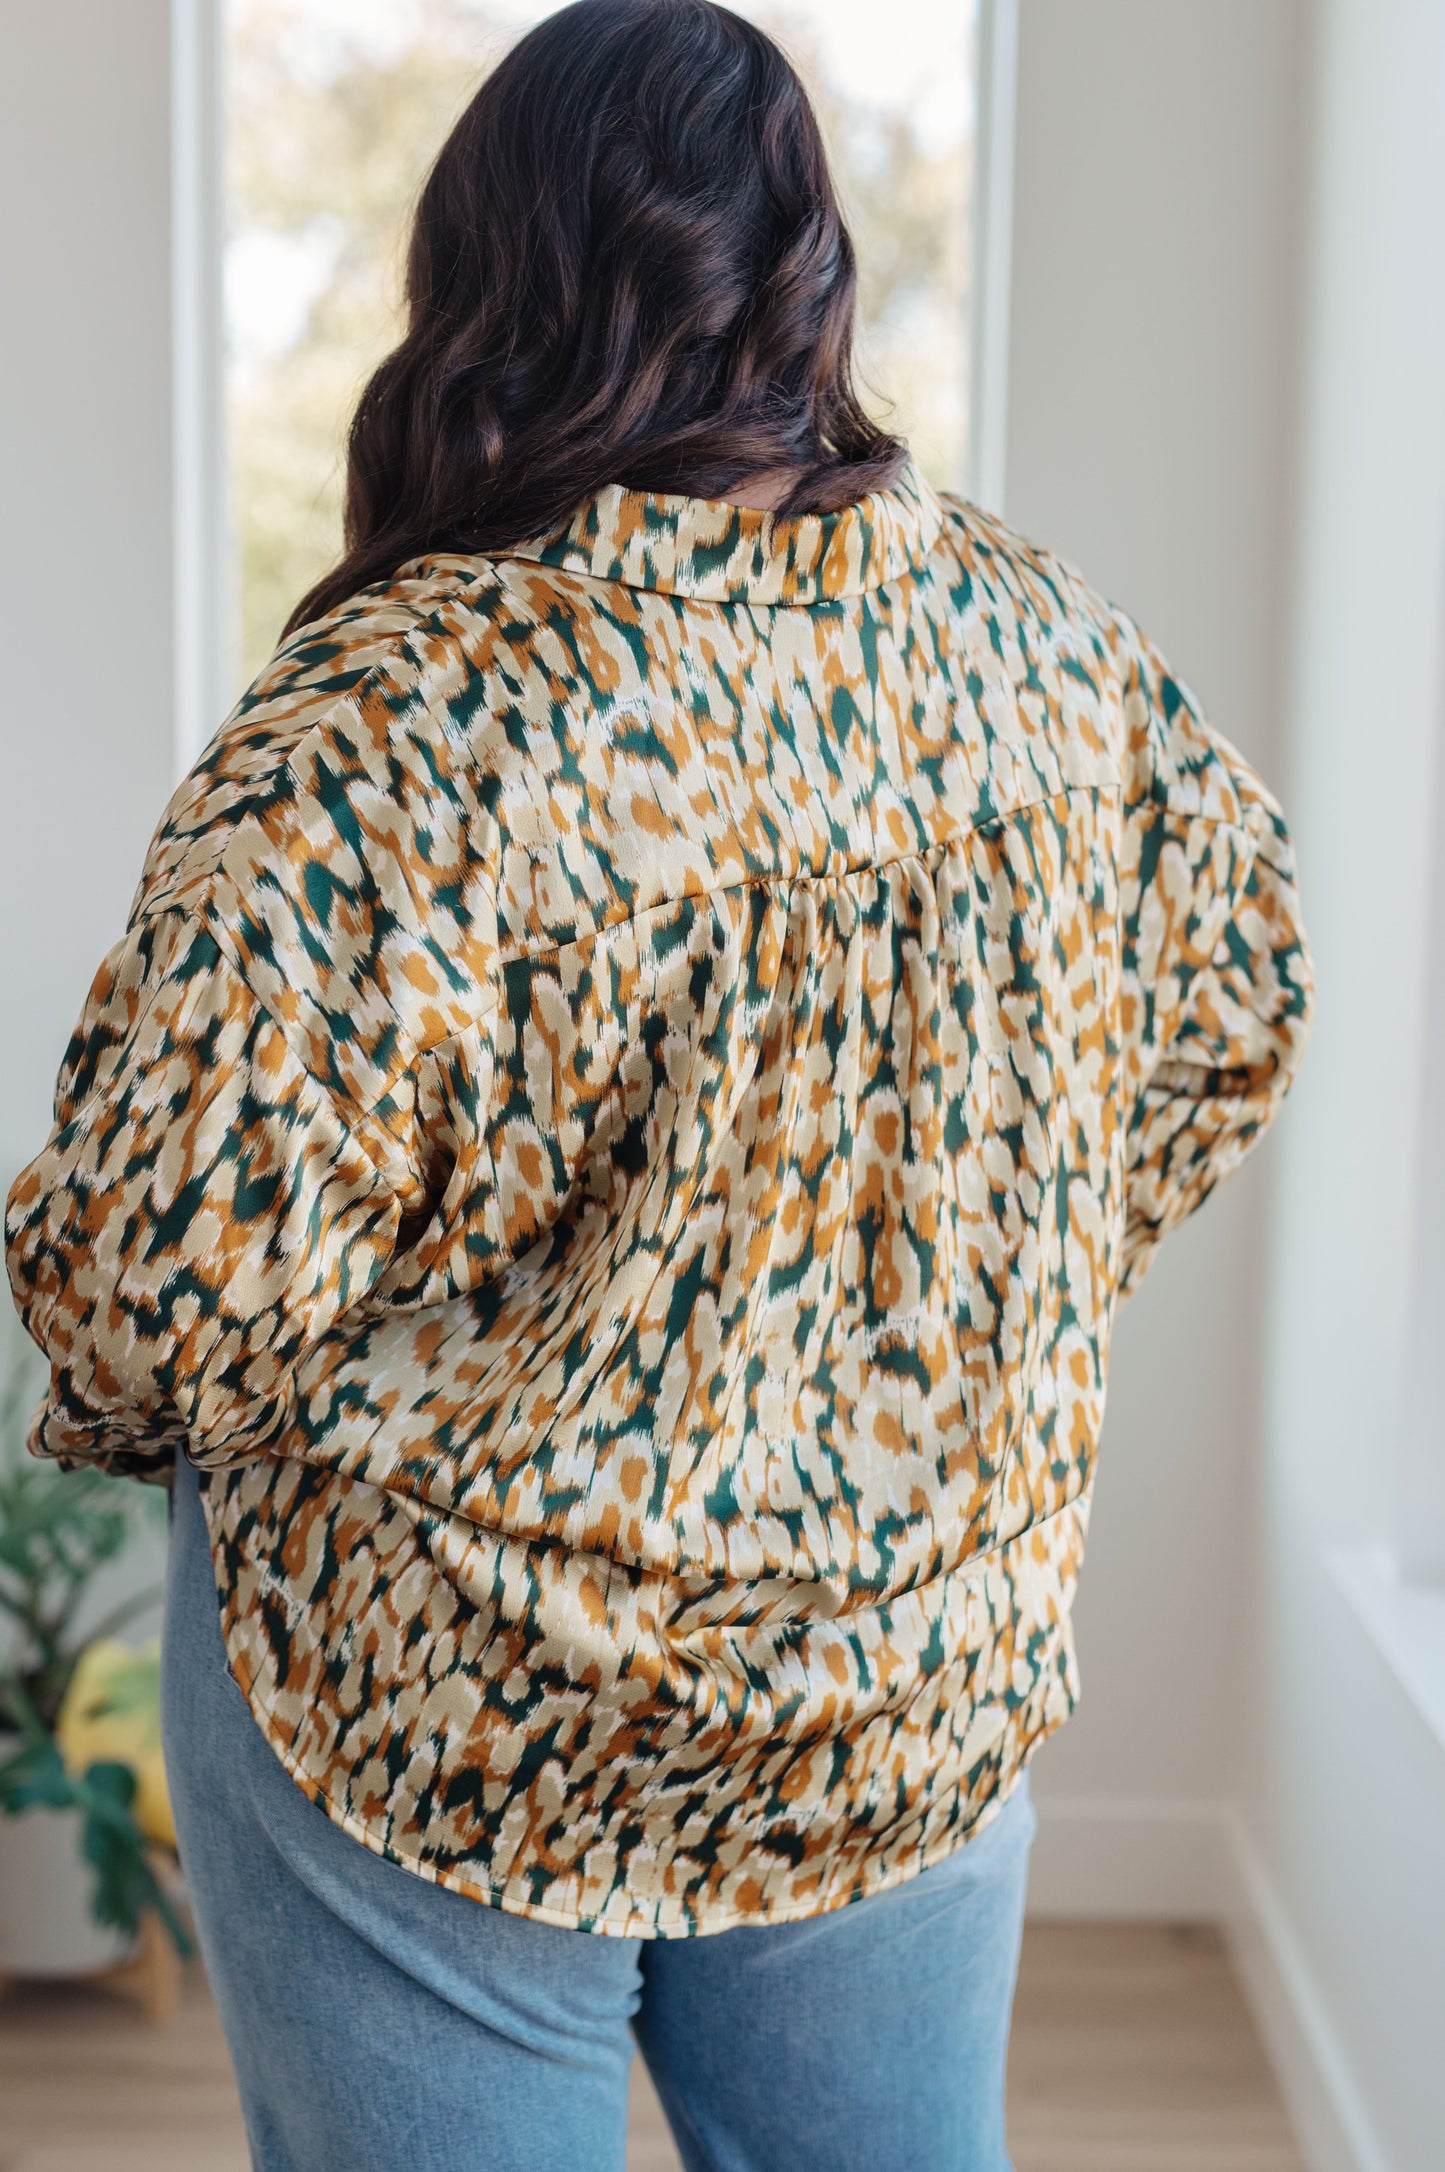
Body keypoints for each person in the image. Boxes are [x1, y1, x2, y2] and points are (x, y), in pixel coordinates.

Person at [3, 3, 1314, 2167]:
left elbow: (146, 1284)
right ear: (810, 270)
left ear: (482, 278)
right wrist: (955, 1305)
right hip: (900, 1665)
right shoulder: (1040, 648)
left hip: (444, 1691)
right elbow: (1231, 988)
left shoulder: (401, 712)